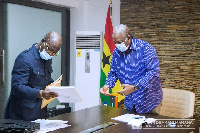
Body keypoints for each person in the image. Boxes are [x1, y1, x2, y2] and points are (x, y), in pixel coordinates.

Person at [100, 24, 163, 114]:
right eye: (115, 42)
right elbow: (113, 73)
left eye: (119, 42)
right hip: (130, 104)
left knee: (149, 128)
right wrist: (107, 85)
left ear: (128, 38)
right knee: (130, 128)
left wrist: (134, 87)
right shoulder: (116, 53)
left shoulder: (145, 48)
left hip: (149, 103)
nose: (117, 45)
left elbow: (153, 73)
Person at [4, 31, 62, 121]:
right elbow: (17, 87)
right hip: (21, 115)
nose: (50, 54)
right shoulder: (25, 58)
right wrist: (41, 93)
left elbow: (44, 79)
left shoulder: (47, 58)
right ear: (43, 41)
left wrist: (55, 86)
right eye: (49, 50)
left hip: (39, 112)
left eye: (54, 53)